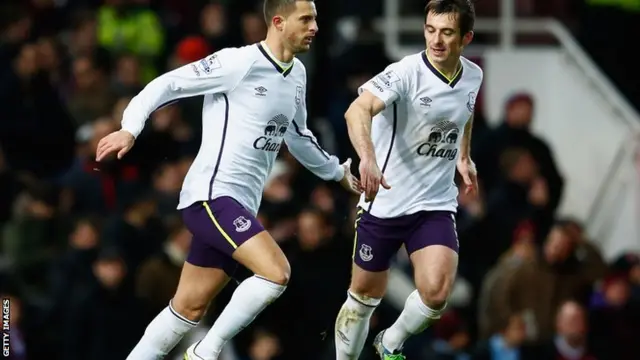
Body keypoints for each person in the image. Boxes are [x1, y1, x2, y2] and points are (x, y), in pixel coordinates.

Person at [95, 1, 361, 359]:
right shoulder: (239, 62)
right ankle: (206, 352)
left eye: (316, 17)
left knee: (187, 309)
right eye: (307, 19)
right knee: (276, 273)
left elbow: (298, 136)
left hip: (239, 207)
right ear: (279, 22)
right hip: (212, 196)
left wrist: (337, 172)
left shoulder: (296, 72)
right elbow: (169, 83)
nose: (315, 26)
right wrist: (130, 127)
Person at [332, 1, 483, 359]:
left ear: (466, 38)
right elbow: (357, 110)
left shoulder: (473, 75)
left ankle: (389, 342)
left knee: (437, 293)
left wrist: (464, 156)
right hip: (384, 202)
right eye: (431, 30)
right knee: (363, 297)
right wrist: (367, 158)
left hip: (434, 204)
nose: (437, 40)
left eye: (447, 33)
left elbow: (465, 111)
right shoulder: (404, 72)